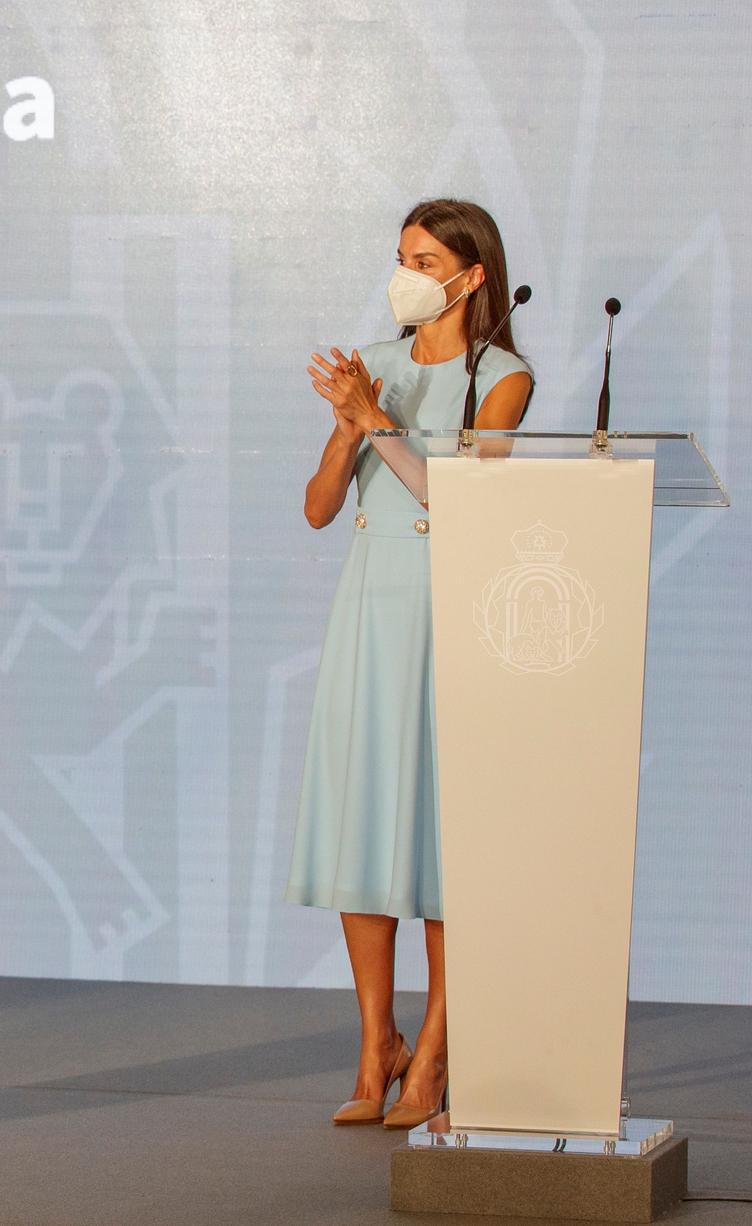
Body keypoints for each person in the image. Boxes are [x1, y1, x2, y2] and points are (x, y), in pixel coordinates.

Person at [287, 198, 533, 1130]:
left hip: (451, 606)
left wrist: (375, 419)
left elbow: (466, 500)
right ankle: (373, 1047)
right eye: (401, 256)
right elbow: (316, 508)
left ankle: (433, 1055)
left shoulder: (502, 377)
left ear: (469, 278)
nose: (407, 274)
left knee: (439, 831)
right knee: (365, 826)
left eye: (425, 259)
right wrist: (350, 424)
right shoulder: (374, 367)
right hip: (371, 609)